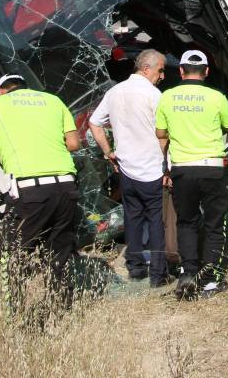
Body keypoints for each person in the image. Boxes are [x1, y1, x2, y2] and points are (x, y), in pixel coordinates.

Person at [0, 74, 82, 318]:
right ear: (24, 88)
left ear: (0, 91)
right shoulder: (53, 100)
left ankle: (15, 317)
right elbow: (73, 144)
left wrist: (1, 158)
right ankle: (61, 311)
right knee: (58, 253)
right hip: (66, 185)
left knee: (12, 253)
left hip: (29, 190)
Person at [155, 50, 228, 300]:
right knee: (214, 222)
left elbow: (161, 134)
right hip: (212, 167)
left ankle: (188, 272)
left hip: (183, 168)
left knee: (186, 221)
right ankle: (210, 280)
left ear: (180, 71)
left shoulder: (167, 97)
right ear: (207, 71)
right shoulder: (216, 97)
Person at [88, 49, 169, 285]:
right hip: (152, 167)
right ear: (146, 68)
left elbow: (95, 123)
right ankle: (158, 274)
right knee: (156, 220)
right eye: (160, 70)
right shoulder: (154, 95)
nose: (162, 75)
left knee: (132, 217)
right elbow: (163, 134)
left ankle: (135, 268)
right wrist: (168, 165)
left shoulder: (114, 92)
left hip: (126, 169)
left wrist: (108, 152)